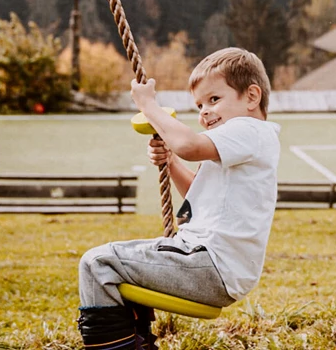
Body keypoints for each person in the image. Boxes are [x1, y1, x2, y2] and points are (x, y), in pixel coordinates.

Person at [75, 48, 280, 350]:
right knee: (106, 264)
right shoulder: (240, 141)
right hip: (207, 261)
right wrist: (170, 162)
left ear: (251, 97)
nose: (204, 112)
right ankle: (135, 341)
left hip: (211, 263)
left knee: (97, 263)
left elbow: (187, 143)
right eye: (199, 105)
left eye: (214, 99)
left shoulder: (249, 130)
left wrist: (149, 106)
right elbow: (200, 194)